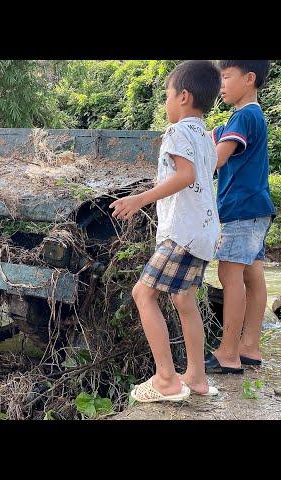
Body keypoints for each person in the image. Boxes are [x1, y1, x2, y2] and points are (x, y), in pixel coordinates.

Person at [110, 60, 221, 402]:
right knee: (184, 299)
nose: (166, 103)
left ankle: (166, 380)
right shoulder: (205, 136)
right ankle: (197, 378)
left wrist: (140, 198)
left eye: (168, 95)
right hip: (204, 233)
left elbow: (185, 176)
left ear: (184, 97)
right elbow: (200, 176)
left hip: (182, 233)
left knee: (143, 295)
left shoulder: (178, 132)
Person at [205, 60, 275, 374]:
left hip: (240, 210)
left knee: (229, 276)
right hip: (257, 208)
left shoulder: (243, 115)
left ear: (248, 79)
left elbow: (217, 158)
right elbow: (211, 134)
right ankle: (250, 347)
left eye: (226, 77)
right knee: (252, 276)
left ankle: (228, 353)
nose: (221, 84)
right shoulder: (253, 115)